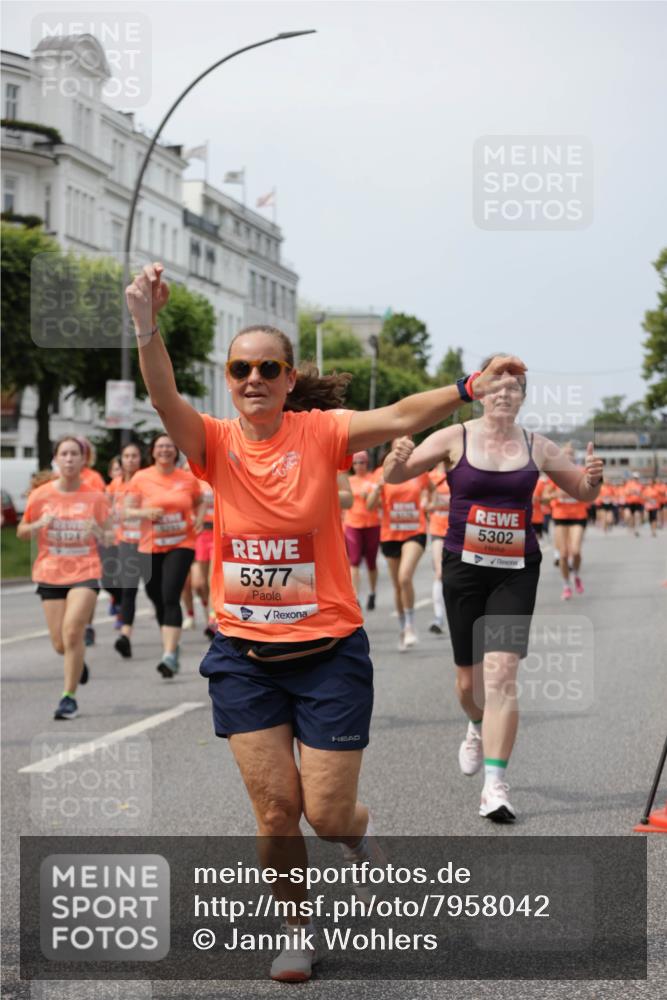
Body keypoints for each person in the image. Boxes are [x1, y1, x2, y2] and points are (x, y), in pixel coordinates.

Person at [125, 261, 528, 981]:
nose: (253, 378)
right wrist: (145, 325)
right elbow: (162, 395)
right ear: (229, 379)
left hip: (328, 657)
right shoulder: (213, 443)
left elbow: (400, 416)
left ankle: (356, 840)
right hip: (244, 657)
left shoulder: (319, 433)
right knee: (277, 811)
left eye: (267, 368)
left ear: (288, 378)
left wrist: (469, 386)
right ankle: (297, 929)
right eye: (240, 368)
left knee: (328, 813)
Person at [383, 357, 603, 822]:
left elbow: (582, 492)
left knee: (502, 676)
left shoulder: (537, 445)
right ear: (480, 392)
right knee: (469, 684)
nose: (504, 393)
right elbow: (395, 477)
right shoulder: (454, 437)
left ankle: (495, 785)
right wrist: (396, 457)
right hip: (463, 569)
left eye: (514, 387)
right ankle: (475, 724)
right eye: (496, 385)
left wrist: (593, 479)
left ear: (523, 397)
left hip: (515, 572)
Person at [17, 436, 112, 719]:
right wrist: (38, 524)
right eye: (64, 454)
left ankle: (68, 698)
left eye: (74, 454)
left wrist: (97, 530)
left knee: (73, 632)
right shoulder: (41, 495)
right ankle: (77, 662)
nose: (69, 459)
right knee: (60, 644)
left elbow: (110, 537)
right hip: (50, 572)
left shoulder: (95, 497)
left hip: (85, 571)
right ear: (56, 459)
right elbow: (21, 532)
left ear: (83, 460)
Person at [130, 433, 204, 677]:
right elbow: (125, 510)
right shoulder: (141, 478)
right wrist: (144, 513)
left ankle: (169, 654)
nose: (164, 450)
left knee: (171, 594)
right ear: (152, 451)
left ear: (176, 451)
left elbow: (200, 501)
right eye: (160, 446)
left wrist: (199, 518)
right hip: (149, 545)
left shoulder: (187, 478)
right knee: (156, 596)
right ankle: (171, 641)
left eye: (169, 446)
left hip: (181, 543)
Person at [367, 447, 432, 650]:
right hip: (390, 535)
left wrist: (427, 502)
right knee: (397, 586)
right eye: (398, 448)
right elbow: (370, 506)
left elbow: (431, 488)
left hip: (415, 531)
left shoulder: (418, 471)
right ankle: (403, 628)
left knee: (405, 577)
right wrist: (378, 489)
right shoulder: (381, 473)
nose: (402, 452)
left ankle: (411, 626)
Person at [108, 442, 144, 658]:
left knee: (157, 592)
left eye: (134, 456)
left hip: (148, 543)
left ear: (141, 458)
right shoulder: (115, 484)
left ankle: (169, 632)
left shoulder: (147, 480)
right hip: (125, 542)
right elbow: (107, 509)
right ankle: (125, 636)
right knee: (128, 589)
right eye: (126, 456)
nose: (130, 460)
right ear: (121, 460)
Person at [544, 444, 591, 600]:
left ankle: (575, 575)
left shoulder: (582, 472)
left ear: (575, 456)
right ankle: (566, 586)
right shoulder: (556, 474)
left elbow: (591, 492)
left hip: (578, 516)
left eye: (571, 453)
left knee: (575, 552)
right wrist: (556, 495)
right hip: (560, 517)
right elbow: (544, 497)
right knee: (563, 555)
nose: (568, 456)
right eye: (565, 454)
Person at [343, 451, 381, 610]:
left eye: (362, 462)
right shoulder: (348, 480)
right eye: (356, 463)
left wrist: (370, 496)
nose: (359, 466)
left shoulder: (373, 479)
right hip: (353, 525)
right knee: (354, 561)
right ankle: (355, 596)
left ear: (367, 463)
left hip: (372, 524)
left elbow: (380, 502)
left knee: (371, 562)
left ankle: (372, 592)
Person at [426, 461, 450, 634]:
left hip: (459, 531)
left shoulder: (459, 472)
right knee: (440, 572)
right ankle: (439, 618)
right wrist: (433, 504)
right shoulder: (431, 477)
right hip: (437, 529)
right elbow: (425, 504)